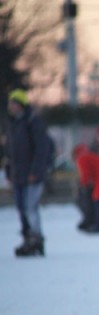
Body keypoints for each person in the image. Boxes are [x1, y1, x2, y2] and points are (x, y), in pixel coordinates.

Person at [5, 89, 52, 257]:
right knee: (21, 207)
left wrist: (36, 171)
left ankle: (36, 238)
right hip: (18, 174)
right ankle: (27, 237)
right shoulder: (13, 124)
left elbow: (42, 149)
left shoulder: (33, 122)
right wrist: (9, 170)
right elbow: (11, 152)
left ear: (20, 104)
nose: (11, 106)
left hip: (32, 175)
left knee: (30, 207)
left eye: (13, 103)